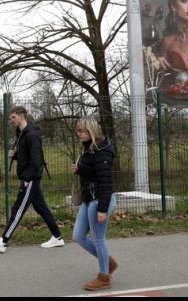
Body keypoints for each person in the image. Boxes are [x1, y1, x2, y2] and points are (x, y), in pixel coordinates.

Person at [0, 105, 64, 253]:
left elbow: (36, 159)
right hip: (29, 175)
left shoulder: (31, 134)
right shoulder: (21, 133)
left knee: (18, 208)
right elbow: (27, 157)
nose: (11, 120)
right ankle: (57, 237)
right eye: (11, 118)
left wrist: (28, 178)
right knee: (41, 208)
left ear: (22, 116)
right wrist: (16, 157)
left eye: (13, 117)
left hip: (31, 177)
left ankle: (3, 241)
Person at [71, 115, 117, 291]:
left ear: (91, 130)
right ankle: (108, 262)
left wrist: (102, 209)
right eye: (78, 131)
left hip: (100, 200)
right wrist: (80, 169)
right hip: (89, 199)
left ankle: (104, 277)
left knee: (98, 239)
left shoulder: (102, 151)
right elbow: (92, 173)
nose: (79, 134)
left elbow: (105, 181)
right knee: (78, 236)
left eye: (81, 131)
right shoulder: (89, 148)